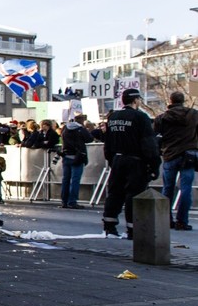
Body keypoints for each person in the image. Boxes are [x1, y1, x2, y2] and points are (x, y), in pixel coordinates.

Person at [102, 88, 161, 239]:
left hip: (117, 160)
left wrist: (111, 160)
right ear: (136, 100)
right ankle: (133, 229)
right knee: (134, 194)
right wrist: (154, 164)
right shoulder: (140, 117)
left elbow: (107, 142)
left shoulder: (113, 117)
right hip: (136, 161)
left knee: (115, 193)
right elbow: (148, 143)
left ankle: (109, 225)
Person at [154, 91, 198, 231]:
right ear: (183, 100)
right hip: (188, 154)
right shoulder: (193, 114)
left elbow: (155, 135)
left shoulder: (162, 118)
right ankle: (182, 221)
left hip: (170, 154)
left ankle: (166, 219)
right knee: (186, 188)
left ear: (170, 101)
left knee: (168, 188)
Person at [60, 114, 94, 209]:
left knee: (65, 179)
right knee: (75, 180)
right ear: (82, 121)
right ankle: (72, 201)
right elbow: (89, 139)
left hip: (66, 156)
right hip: (77, 157)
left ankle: (64, 201)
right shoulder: (80, 129)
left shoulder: (65, 128)